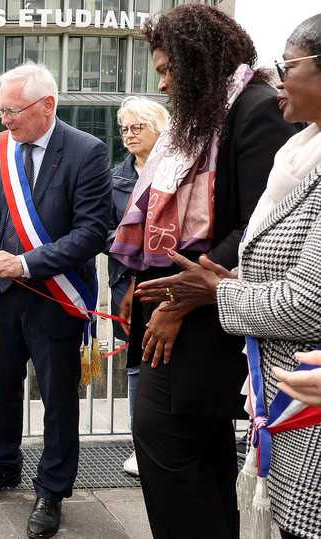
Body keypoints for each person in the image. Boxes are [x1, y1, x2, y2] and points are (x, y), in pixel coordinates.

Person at [108, 5, 302, 538]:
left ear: (199, 62)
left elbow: (258, 227)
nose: (165, 85)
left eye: (170, 71)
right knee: (199, 453)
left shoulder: (256, 110)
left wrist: (177, 303)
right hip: (188, 311)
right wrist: (137, 285)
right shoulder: (204, 120)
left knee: (164, 442)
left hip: (207, 315)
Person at [0, 62, 111, 539]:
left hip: (56, 297)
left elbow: (91, 232)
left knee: (58, 399)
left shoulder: (87, 152)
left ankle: (52, 490)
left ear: (47, 105)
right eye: (0, 110)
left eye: (12, 111)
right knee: (0, 389)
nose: (4, 120)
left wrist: (26, 263)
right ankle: (3, 465)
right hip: (4, 296)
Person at [107, 96, 169, 477]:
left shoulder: (175, 171)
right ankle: (139, 447)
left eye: (136, 127)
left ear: (157, 128)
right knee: (135, 364)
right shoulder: (114, 178)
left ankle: (168, 443)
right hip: (125, 286)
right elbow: (99, 229)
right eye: (124, 129)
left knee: (168, 361)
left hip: (168, 279)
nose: (128, 135)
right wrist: (133, 239)